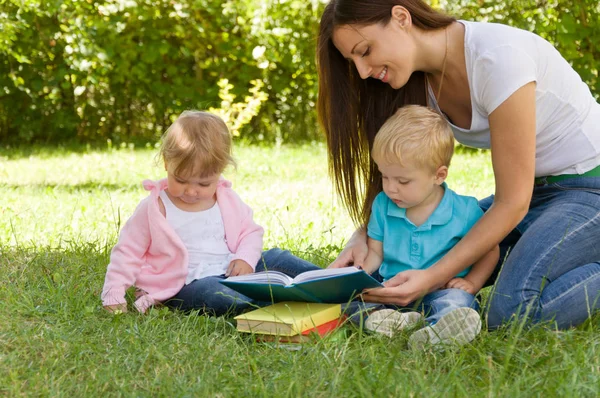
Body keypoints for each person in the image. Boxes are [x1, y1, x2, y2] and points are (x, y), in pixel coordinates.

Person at [317, 0, 600, 329]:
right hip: (538, 195)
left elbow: (512, 203)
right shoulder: (418, 80)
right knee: (424, 257)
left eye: (364, 51)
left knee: (510, 310)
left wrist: (433, 278)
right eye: (353, 61)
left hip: (588, 189)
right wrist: (362, 236)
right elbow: (398, 174)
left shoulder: (498, 57)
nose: (363, 71)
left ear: (400, 17)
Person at [101, 111, 319, 315]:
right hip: (185, 284)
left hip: (233, 269)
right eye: (181, 180)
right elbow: (127, 252)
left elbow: (250, 233)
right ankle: (283, 305)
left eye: (204, 183)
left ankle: (333, 282)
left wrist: (245, 259)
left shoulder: (226, 199)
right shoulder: (156, 208)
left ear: (220, 171)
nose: (191, 191)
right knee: (217, 294)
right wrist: (113, 293)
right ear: (167, 164)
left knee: (278, 257)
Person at [348, 105, 499, 348]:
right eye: (384, 176)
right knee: (353, 303)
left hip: (442, 289)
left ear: (439, 176)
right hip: (393, 291)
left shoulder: (465, 210)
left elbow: (489, 249)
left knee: (458, 302)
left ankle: (435, 335)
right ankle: (393, 322)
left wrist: (472, 282)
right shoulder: (382, 205)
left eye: (403, 181)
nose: (390, 188)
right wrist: (362, 273)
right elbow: (376, 251)